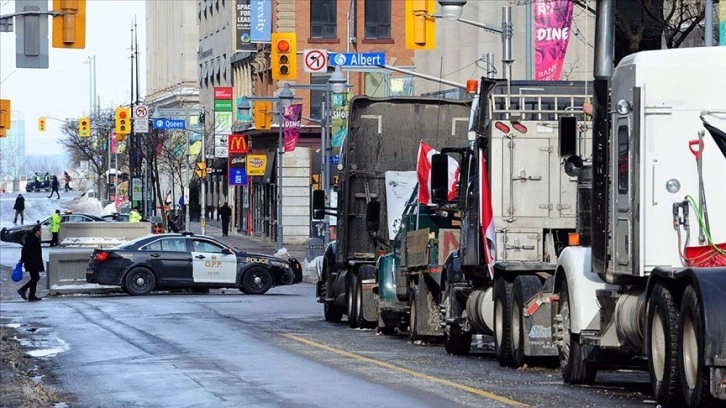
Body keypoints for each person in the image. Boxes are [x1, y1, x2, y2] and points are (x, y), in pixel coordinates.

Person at [18, 225, 44, 301]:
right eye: (40, 230)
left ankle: (31, 295)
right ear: (37, 231)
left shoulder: (35, 238)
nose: (41, 232)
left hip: (34, 261)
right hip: (31, 261)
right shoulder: (32, 239)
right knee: (36, 277)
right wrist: (22, 259)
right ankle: (23, 289)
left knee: (34, 278)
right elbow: (25, 249)